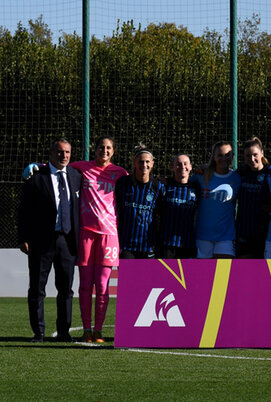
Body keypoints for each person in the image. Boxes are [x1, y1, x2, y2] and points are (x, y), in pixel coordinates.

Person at [17, 139, 82, 342]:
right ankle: (39, 333)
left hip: (67, 241)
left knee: (66, 290)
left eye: (67, 152)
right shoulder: (36, 177)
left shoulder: (76, 176)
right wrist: (23, 238)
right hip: (40, 241)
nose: (64, 156)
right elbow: (24, 211)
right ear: (51, 153)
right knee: (37, 289)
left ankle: (64, 332)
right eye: (60, 152)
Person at [69, 136, 127, 344]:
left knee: (102, 286)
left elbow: (140, 179)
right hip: (85, 233)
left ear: (113, 151)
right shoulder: (82, 167)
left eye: (108, 148)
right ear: (95, 150)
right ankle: (86, 330)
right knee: (85, 285)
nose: (104, 150)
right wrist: (37, 167)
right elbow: (59, 167)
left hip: (109, 234)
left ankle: (98, 330)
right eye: (101, 147)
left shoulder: (120, 173)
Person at [114, 148, 165, 260]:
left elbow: (162, 214)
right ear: (134, 163)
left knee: (146, 273)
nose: (144, 165)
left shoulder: (158, 186)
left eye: (147, 162)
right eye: (141, 161)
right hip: (126, 245)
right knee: (128, 272)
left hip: (148, 245)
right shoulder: (123, 183)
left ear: (152, 164)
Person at [195, 141, 241, 259]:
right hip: (203, 235)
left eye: (227, 155)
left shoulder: (237, 178)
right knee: (204, 270)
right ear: (214, 157)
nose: (224, 158)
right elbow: (182, 185)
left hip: (226, 236)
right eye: (220, 155)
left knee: (225, 270)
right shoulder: (201, 176)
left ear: (232, 156)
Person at [234, 137, 271, 258]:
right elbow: (221, 173)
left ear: (262, 153)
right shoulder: (240, 173)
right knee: (244, 267)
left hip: (265, 232)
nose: (252, 159)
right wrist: (205, 168)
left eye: (255, 155)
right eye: (248, 156)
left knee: (264, 268)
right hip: (244, 230)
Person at [157, 154, 200, 259]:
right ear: (172, 167)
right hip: (166, 244)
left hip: (188, 244)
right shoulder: (164, 186)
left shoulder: (197, 188)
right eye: (178, 164)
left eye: (185, 164)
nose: (182, 167)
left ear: (190, 167)